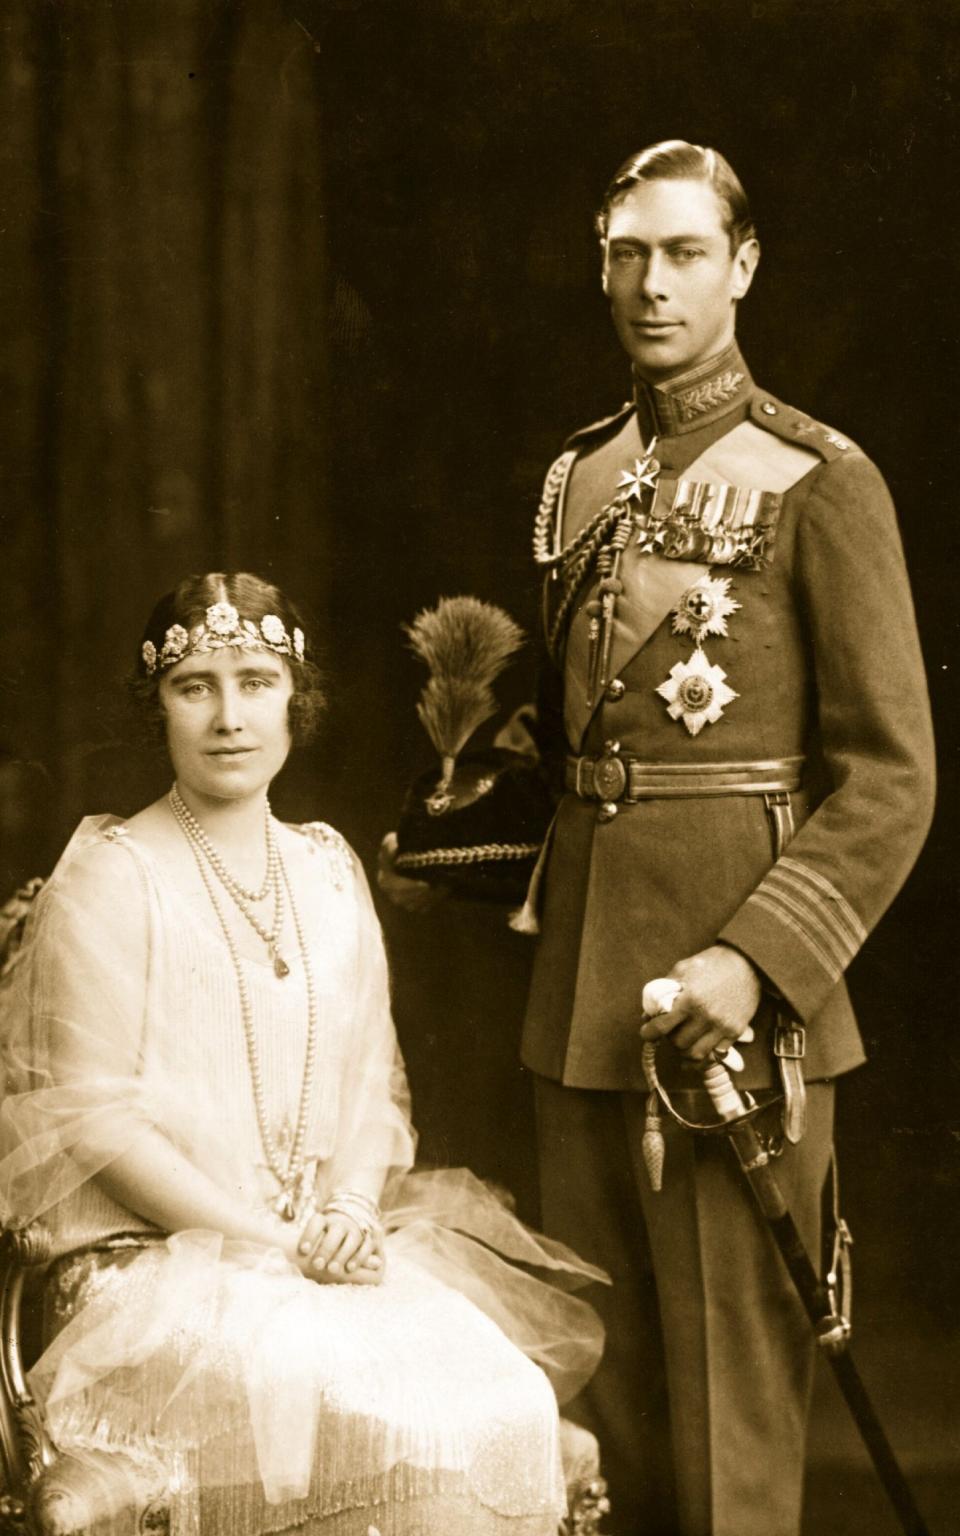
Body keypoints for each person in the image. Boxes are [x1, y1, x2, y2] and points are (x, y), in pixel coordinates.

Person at [382, 140, 936, 1536]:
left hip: (737, 999)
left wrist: (758, 964)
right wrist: (467, 808)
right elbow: (585, 744)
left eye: (685, 252)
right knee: (603, 1408)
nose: (651, 283)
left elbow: (891, 778)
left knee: (730, 1418)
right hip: (579, 984)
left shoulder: (821, 480)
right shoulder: (580, 476)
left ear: (742, 266)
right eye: (627, 252)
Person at [0, 572, 606, 1536]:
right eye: (194, 685)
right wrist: (272, 1242)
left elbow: (373, 1088)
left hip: (317, 1250)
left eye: (256, 681)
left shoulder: (327, 869)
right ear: (156, 707)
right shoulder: (111, 874)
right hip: (147, 1267)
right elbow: (98, 1124)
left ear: (297, 700)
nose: (229, 716)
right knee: (340, 1391)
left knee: (498, 1399)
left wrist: (355, 1210)